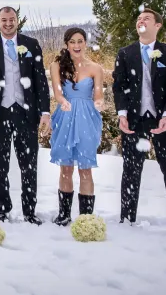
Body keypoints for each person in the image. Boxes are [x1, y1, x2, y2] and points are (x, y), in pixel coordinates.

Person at [113, 9, 166, 235]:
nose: (141, 20)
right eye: (139, 18)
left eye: (146, 18)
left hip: (164, 122)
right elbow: (118, 86)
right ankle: (127, 220)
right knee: (130, 170)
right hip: (134, 121)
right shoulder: (125, 53)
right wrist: (121, 114)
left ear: (157, 25)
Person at [0, 6, 50, 224]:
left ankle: (29, 210)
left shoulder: (31, 44)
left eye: (12, 20)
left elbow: (40, 80)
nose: (8, 24)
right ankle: (3, 207)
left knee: (29, 163)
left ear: (17, 21)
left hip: (25, 112)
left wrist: (45, 111)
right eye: (4, 20)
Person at [49, 27, 104, 226]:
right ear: (67, 44)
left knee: (86, 169)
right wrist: (63, 102)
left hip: (87, 119)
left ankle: (86, 219)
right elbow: (57, 93)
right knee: (65, 168)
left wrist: (99, 103)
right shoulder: (57, 65)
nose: (77, 45)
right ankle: (64, 214)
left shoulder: (96, 68)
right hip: (65, 116)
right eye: (72, 42)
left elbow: (98, 95)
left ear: (85, 43)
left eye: (80, 41)